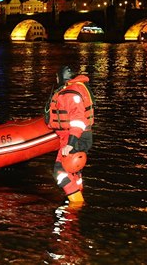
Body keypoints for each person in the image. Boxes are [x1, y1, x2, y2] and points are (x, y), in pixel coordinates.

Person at [45, 65, 95, 207]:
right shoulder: (77, 89)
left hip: (73, 137)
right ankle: (78, 194)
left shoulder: (70, 93)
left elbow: (78, 119)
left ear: (61, 77)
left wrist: (71, 143)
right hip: (77, 136)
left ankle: (76, 204)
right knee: (74, 171)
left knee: (60, 172)